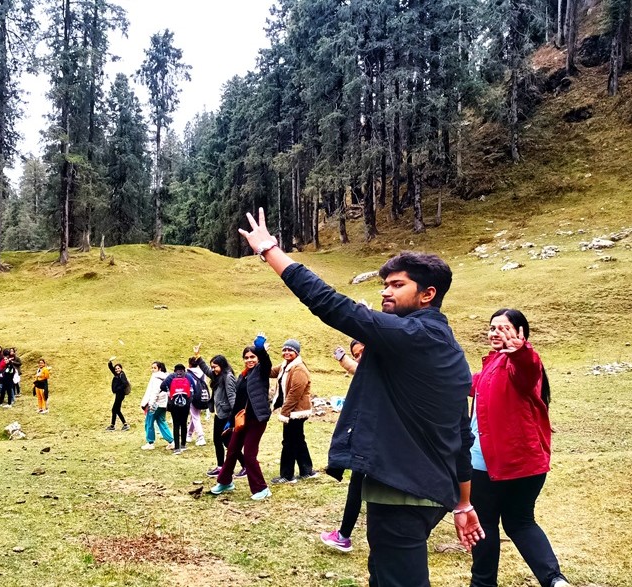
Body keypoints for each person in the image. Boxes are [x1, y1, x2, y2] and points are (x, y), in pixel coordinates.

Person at [237, 208, 483, 583]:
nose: (385, 291)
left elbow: (333, 306)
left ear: (427, 294)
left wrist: (269, 249)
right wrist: (464, 503)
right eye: (385, 284)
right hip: (427, 491)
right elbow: (461, 433)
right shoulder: (444, 347)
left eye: (397, 285)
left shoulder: (415, 337)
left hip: (403, 491)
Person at [469, 309, 571, 587]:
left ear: (520, 332)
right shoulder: (491, 364)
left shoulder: (521, 365)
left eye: (503, 328)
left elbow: (527, 370)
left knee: (486, 525)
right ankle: (554, 581)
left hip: (493, 466)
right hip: (526, 465)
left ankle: (482, 583)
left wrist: (521, 351)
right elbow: (468, 383)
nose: (495, 333)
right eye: (492, 328)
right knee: (520, 523)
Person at [210, 334, 273, 501]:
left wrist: (260, 348)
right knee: (232, 450)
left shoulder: (261, 371)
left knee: (250, 454)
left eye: (253, 357)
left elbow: (266, 362)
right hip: (242, 419)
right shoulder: (243, 375)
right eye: (246, 357)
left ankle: (262, 488)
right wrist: (230, 421)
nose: (249, 360)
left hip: (257, 419)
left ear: (258, 358)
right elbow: (238, 400)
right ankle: (225, 482)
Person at [322, 339, 368, 553]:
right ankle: (344, 535)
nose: (360, 357)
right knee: (357, 488)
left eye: (362, 352)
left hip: (380, 445)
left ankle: (344, 535)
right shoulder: (370, 372)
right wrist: (344, 360)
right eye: (356, 354)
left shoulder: (383, 370)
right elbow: (358, 368)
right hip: (367, 445)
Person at [269, 338, 316, 485]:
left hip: (296, 411)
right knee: (298, 440)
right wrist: (261, 354)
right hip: (293, 410)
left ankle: (287, 476)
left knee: (289, 442)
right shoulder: (285, 366)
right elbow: (270, 372)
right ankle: (307, 471)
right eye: (284, 350)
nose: (287, 352)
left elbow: (295, 393)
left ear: (296, 352)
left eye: (290, 350)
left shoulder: (299, 369)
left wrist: (285, 412)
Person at [195, 353, 238, 477]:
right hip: (219, 414)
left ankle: (244, 464)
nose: (213, 369)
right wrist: (198, 358)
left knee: (229, 443)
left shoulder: (228, 377)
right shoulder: (217, 376)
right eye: (212, 367)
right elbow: (207, 371)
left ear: (222, 365)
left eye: (215, 367)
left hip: (226, 415)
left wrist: (233, 416)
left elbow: (232, 396)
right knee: (217, 441)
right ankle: (220, 466)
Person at [161, 364, 196, 454]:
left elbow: (162, 386)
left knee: (176, 424)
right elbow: (194, 388)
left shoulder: (171, 376)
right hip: (186, 404)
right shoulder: (188, 376)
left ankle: (177, 448)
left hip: (174, 404)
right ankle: (183, 445)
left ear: (174, 370)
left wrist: (169, 390)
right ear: (184, 370)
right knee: (184, 423)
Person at [140, 362, 173, 449]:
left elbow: (154, 392)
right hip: (163, 404)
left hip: (155, 404)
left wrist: (150, 404)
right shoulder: (167, 378)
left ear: (159, 368)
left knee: (149, 422)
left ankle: (150, 442)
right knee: (161, 422)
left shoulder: (156, 378)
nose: (152, 370)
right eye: (152, 368)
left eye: (154, 368)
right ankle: (171, 441)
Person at [186, 356, 207, 446]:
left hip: (192, 396)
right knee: (195, 416)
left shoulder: (187, 373)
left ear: (190, 364)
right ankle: (189, 434)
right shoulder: (203, 373)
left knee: (195, 417)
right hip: (202, 396)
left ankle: (201, 437)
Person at [106, 357, 130, 431]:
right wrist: (110, 362)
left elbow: (125, 383)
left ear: (121, 368)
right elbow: (111, 368)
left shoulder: (122, 375)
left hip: (120, 394)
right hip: (118, 394)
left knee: (115, 409)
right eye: (116, 369)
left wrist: (118, 389)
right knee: (116, 410)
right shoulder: (117, 374)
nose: (117, 370)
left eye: (118, 368)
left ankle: (119, 425)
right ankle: (116, 425)